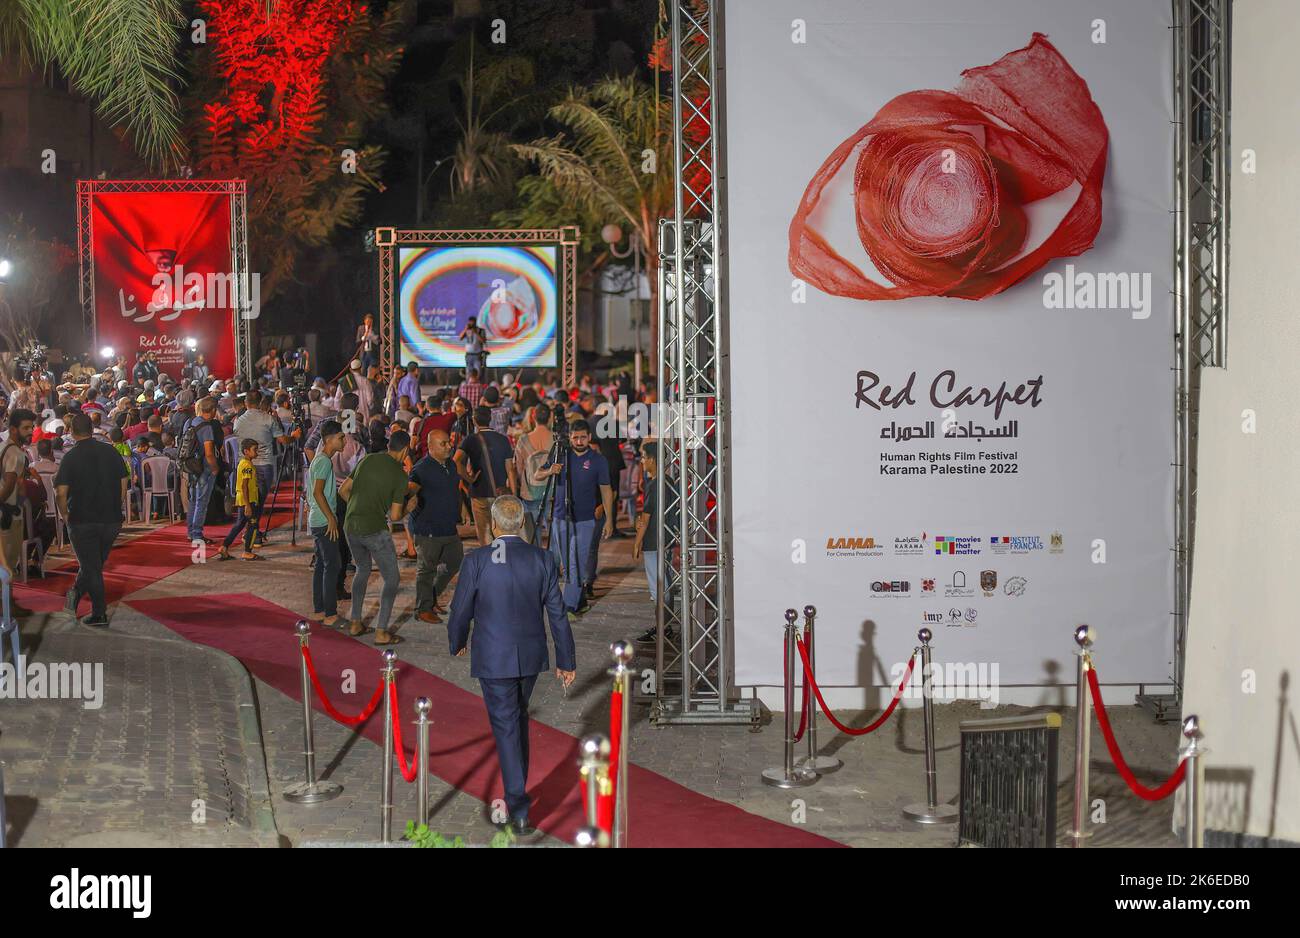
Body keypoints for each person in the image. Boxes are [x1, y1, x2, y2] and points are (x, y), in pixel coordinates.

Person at [446, 495, 575, 836]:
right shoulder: (542, 558)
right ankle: (517, 790)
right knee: (515, 718)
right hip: (530, 657)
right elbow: (558, 614)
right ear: (521, 524)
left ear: (493, 524)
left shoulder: (477, 560)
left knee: (507, 725)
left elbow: (460, 610)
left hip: (492, 656)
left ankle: (517, 806)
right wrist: (566, 659)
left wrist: (457, 641)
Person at [54, 413, 129, 627]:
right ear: (92, 428)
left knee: (91, 567)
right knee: (93, 565)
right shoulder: (110, 451)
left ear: (71, 431)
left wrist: (65, 515)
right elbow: (124, 482)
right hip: (111, 519)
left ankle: (98, 612)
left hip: (82, 518)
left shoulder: (70, 457)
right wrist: (117, 504)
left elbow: (61, 492)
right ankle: (75, 595)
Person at [340, 430, 414, 645]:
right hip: (374, 530)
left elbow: (344, 490)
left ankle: (355, 622)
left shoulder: (368, 459)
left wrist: (359, 506)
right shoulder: (400, 475)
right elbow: (395, 515)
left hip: (351, 524)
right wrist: (410, 506)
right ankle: (381, 631)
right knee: (391, 578)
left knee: (362, 569)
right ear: (406, 450)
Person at [536, 420, 613, 614]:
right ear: (570, 437)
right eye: (575, 437)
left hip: (586, 521)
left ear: (589, 437)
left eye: (583, 437)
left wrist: (610, 519)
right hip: (560, 518)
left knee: (576, 564)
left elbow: (606, 490)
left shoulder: (598, 460)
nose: (579, 441)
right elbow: (536, 475)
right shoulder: (560, 454)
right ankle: (580, 601)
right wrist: (549, 471)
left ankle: (568, 607)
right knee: (569, 565)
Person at [407, 428, 463, 624]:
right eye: (443, 444)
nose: (449, 446)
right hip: (428, 529)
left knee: (455, 561)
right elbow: (410, 490)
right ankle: (422, 608)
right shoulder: (421, 469)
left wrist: (461, 509)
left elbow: (455, 488)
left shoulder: (451, 464)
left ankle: (431, 598)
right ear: (430, 447)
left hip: (448, 526)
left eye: (449, 442)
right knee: (426, 569)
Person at [233, 389, 294, 543]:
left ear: (246, 403)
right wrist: (294, 437)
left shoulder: (238, 421)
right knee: (258, 501)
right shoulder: (268, 419)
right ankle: (252, 533)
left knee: (248, 499)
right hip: (264, 464)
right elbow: (282, 440)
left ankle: (249, 531)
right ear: (260, 402)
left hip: (245, 464)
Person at [454, 405, 517, 547]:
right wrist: (514, 495)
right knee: (501, 532)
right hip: (500, 493)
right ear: (490, 419)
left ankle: (490, 562)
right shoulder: (503, 440)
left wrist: (469, 478)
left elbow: (456, 462)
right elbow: (511, 470)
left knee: (484, 533)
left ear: (474, 420)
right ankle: (502, 562)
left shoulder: (470, 440)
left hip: (479, 493)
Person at [308, 419, 346, 627]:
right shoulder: (324, 461)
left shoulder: (318, 459)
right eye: (341, 438)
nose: (344, 441)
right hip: (324, 520)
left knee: (323, 565)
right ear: (329, 440)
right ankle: (330, 613)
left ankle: (320, 609)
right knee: (333, 565)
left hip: (318, 518)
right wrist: (331, 517)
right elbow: (317, 492)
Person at [0, 408, 37, 588]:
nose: (30, 431)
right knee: (8, 563)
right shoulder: (16, 454)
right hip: (9, 515)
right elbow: (9, 486)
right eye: (26, 428)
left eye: (31, 427)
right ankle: (7, 608)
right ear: (14, 429)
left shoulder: (2, 446)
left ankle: (9, 605)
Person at [185, 396, 223, 544]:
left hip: (191, 466)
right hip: (204, 468)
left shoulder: (190, 422)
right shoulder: (207, 427)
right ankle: (197, 534)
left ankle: (191, 531)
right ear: (212, 410)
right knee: (202, 501)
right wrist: (215, 468)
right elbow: (209, 452)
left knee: (193, 500)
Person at [217, 439, 262, 562]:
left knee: (239, 525)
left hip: (243, 499)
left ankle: (224, 546)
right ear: (246, 451)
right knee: (253, 524)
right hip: (248, 500)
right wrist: (248, 504)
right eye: (254, 450)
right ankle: (247, 551)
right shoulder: (247, 465)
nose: (257, 452)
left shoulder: (242, 463)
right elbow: (244, 486)